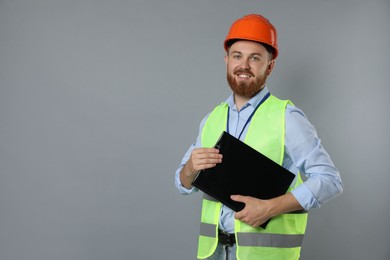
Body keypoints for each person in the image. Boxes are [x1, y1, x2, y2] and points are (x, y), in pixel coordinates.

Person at [174, 14, 343, 260]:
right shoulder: (211, 119)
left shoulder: (287, 117)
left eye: (255, 58)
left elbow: (330, 181)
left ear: (270, 65)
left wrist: (268, 208)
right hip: (214, 253)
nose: (244, 65)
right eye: (237, 56)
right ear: (227, 61)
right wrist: (189, 169)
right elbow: (182, 184)